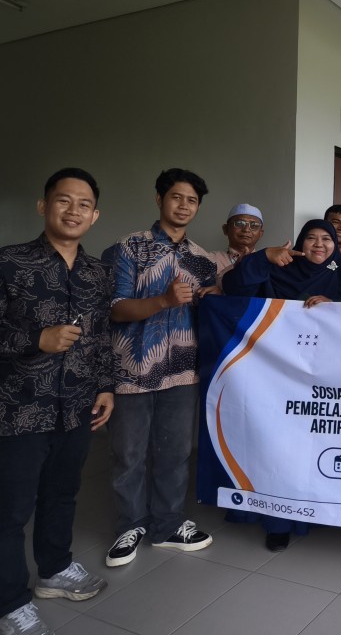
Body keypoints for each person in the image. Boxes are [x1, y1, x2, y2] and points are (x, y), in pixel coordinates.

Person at [0, 168, 113, 635]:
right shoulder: (2, 263)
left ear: (95, 216)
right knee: (7, 514)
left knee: (61, 496)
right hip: (12, 412)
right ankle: (9, 608)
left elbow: (101, 336)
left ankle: (54, 570)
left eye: (84, 204)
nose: (74, 210)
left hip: (75, 409)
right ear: (43, 206)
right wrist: (36, 338)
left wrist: (106, 385)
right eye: (63, 200)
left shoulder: (98, 273)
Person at [223, 219, 341, 549]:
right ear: (300, 243)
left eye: (326, 239)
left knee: (321, 448)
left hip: (330, 380)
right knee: (281, 448)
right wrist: (263, 257)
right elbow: (234, 288)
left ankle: (320, 513)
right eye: (311, 238)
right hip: (279, 376)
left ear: (337, 245)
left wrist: (338, 309)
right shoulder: (278, 271)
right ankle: (279, 521)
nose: (319, 244)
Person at [104, 169, 218, 568]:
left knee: (175, 452)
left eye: (192, 200)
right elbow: (114, 309)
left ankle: (168, 524)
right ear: (159, 199)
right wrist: (163, 301)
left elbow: (210, 311)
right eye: (176, 197)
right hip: (132, 368)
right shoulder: (128, 248)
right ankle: (130, 525)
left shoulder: (203, 259)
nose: (184, 206)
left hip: (183, 371)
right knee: (129, 454)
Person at [208, 203, 264, 278]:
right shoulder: (210, 259)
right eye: (239, 223)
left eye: (254, 225)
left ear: (260, 234)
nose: (246, 229)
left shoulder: (266, 263)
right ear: (226, 229)